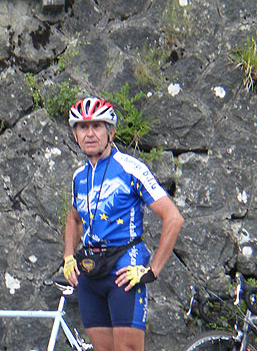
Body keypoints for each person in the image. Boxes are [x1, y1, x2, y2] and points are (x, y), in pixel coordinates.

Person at [63, 97, 184, 351]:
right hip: (91, 273)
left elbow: (173, 218)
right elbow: (74, 218)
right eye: (83, 127)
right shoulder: (79, 177)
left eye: (97, 126)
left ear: (111, 132)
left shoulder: (130, 168)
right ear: (75, 135)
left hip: (125, 271)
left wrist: (153, 270)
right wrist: (68, 256)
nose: (90, 133)